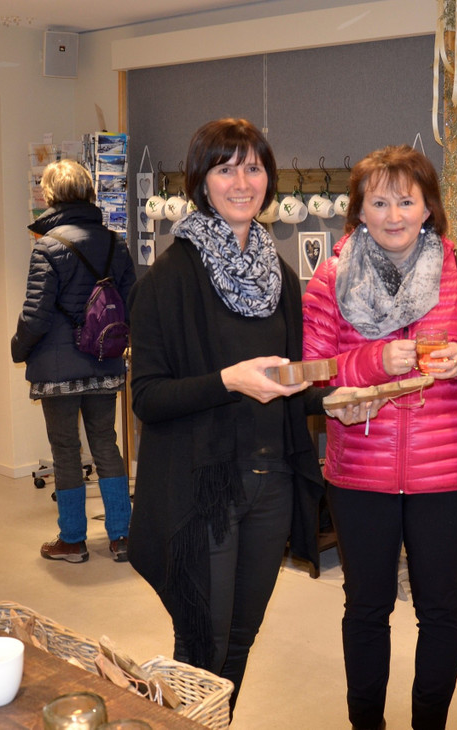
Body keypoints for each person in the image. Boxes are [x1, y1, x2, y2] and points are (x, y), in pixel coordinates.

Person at [127, 118, 370, 716]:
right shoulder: (168, 279)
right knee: (202, 644)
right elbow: (148, 398)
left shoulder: (278, 276)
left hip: (271, 484)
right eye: (225, 168)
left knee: (240, 638)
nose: (242, 182)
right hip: (202, 489)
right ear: (200, 181)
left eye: (254, 168)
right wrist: (226, 381)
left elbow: (286, 383)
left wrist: (333, 400)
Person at [302, 145, 457, 730]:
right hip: (360, 474)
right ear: (359, 211)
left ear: (428, 207)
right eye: (379, 202)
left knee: (441, 609)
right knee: (366, 609)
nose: (393, 215)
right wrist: (373, 362)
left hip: (447, 476)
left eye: (406, 201)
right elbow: (312, 374)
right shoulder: (332, 275)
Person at [12, 158, 136, 564]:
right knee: (106, 443)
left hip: (58, 367)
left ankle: (72, 541)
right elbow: (132, 303)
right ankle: (122, 537)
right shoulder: (116, 243)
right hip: (104, 359)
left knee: (65, 449)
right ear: (89, 192)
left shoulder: (47, 246)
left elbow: (36, 315)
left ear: (50, 195)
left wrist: (18, 348)